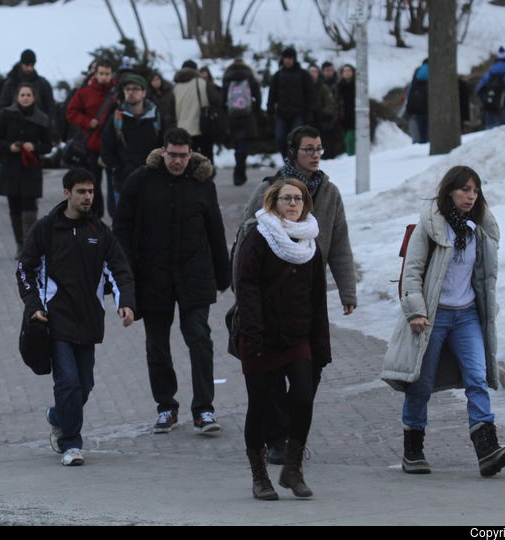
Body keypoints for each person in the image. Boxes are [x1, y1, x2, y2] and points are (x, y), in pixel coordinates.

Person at [381, 165, 505, 477]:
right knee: (421, 383)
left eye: (475, 190)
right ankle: (413, 450)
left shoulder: (478, 230)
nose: (470, 196)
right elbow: (413, 271)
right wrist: (416, 310)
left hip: (467, 315)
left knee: (477, 376)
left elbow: (483, 275)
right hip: (434, 317)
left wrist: (488, 304)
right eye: (464, 190)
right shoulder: (430, 228)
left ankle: (487, 449)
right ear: (449, 192)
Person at [241, 125, 357, 463]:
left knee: (311, 367)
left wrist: (346, 288)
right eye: (309, 149)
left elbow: (339, 241)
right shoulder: (270, 188)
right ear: (293, 152)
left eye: (319, 148)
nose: (316, 154)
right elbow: (247, 233)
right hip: (270, 295)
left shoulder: (330, 193)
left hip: (309, 292)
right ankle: (278, 439)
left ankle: (292, 429)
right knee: (275, 372)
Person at [113, 128, 231, 436]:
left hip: (195, 274)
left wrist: (224, 272)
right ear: (162, 152)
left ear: (190, 154)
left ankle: (204, 408)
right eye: (172, 155)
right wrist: (123, 274)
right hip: (153, 276)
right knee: (157, 345)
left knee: (199, 339)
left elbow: (215, 229)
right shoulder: (140, 181)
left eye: (183, 155)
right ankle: (166, 406)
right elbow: (122, 229)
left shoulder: (202, 183)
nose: (177, 161)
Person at [17, 168, 136, 466]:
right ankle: (70, 443)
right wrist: (34, 305)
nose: (87, 197)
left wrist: (126, 303)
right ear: (67, 193)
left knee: (84, 385)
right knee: (68, 382)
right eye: (81, 191)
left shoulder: (99, 231)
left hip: (89, 320)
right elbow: (25, 270)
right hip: (54, 321)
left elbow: (120, 269)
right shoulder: (45, 230)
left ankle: (59, 415)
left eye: (91, 192)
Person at [236, 178, 328, 500]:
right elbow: (245, 288)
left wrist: (320, 344)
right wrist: (254, 333)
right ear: (273, 202)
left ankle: (292, 469)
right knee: (260, 407)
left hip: (296, 336)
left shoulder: (310, 244)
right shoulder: (258, 239)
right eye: (287, 198)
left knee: (303, 397)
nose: (293, 204)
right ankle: (260, 476)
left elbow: (317, 297)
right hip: (260, 337)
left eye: (299, 199)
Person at [0, 83, 53, 257]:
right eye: (22, 95)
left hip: (31, 168)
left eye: (28, 95)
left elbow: (48, 146)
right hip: (10, 167)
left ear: (34, 98)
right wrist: (9, 146)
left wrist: (34, 146)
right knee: (15, 208)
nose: (25, 98)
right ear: (17, 97)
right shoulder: (7, 115)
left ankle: (29, 244)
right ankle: (19, 243)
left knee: (29, 207)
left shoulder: (41, 119)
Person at [65, 58, 119, 220]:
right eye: (101, 73)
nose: (104, 77)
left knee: (113, 184)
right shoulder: (84, 92)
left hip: (113, 147)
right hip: (92, 146)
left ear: (111, 74)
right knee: (91, 184)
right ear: (95, 74)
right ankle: (95, 218)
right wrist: (87, 122)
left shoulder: (118, 92)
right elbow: (71, 113)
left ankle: (115, 217)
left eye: (107, 74)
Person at [101, 74, 162, 211]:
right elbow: (106, 148)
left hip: (151, 182)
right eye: (127, 89)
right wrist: (118, 168)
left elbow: (164, 146)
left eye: (135, 89)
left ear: (144, 92)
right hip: (123, 181)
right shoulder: (116, 118)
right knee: (124, 226)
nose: (130, 92)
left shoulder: (156, 117)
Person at [164, 65, 221, 162]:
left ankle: (191, 176)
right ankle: (207, 175)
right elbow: (216, 100)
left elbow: (169, 112)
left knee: (188, 158)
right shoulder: (203, 83)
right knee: (206, 156)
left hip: (183, 131)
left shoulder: (175, 88)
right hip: (204, 127)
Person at [268, 47, 314, 159]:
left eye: (290, 58)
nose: (287, 61)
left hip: (298, 113)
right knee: (280, 138)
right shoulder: (278, 75)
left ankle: (294, 160)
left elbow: (310, 94)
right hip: (282, 113)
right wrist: (270, 107)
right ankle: (286, 159)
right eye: (285, 58)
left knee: (296, 139)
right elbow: (272, 93)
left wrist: (310, 112)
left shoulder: (303, 75)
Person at [222, 59, 262, 186]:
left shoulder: (227, 78)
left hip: (233, 116)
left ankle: (239, 171)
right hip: (247, 115)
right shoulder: (250, 77)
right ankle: (240, 172)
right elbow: (258, 96)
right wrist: (256, 110)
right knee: (243, 144)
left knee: (237, 144)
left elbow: (222, 98)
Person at [0, 49, 57, 137]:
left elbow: (50, 108)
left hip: (38, 130)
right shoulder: (10, 84)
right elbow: (2, 108)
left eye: (32, 65)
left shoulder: (42, 84)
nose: (30, 68)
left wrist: (51, 129)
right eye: (27, 65)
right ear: (21, 64)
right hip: (14, 131)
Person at [475, 47, 505, 130]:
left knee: (490, 137)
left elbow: (479, 90)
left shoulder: (489, 74)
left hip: (490, 110)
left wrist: (486, 102)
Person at [405, 59, 429, 144]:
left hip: (417, 109)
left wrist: (408, 108)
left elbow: (410, 91)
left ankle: (420, 148)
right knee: (428, 133)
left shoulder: (418, 72)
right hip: (430, 108)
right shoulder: (436, 70)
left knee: (419, 134)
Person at [336, 63, 357, 155]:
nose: (347, 73)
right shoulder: (339, 86)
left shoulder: (357, 85)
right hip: (343, 116)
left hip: (354, 115)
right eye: (345, 71)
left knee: (350, 138)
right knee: (346, 138)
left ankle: (352, 155)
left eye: (349, 70)